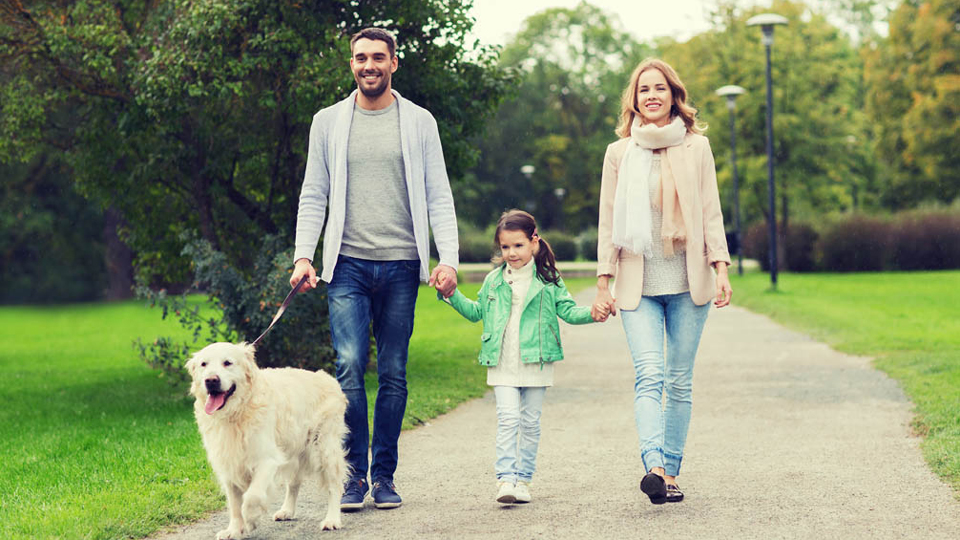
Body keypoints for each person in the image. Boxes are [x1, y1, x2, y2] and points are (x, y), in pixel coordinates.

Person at [290, 27, 459, 512]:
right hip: (346, 265)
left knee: (394, 371)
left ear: (394, 63)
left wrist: (447, 258)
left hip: (402, 265)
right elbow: (313, 192)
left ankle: (383, 475)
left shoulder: (419, 121)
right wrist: (305, 255)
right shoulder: (327, 122)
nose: (369, 65)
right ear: (351, 64)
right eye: (361, 58)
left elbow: (438, 195)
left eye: (378, 58)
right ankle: (351, 477)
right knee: (347, 367)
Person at [592, 58, 732, 505]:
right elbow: (608, 220)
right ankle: (653, 465)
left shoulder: (697, 147)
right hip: (638, 285)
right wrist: (602, 279)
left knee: (679, 381)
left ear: (674, 95)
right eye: (643, 89)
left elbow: (710, 210)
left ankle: (672, 473)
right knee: (649, 376)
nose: (651, 95)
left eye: (660, 88)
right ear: (633, 100)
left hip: (689, 283)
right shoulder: (619, 153)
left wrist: (721, 266)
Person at [435, 209, 606, 505]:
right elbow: (477, 312)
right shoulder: (494, 280)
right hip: (502, 360)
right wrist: (451, 295)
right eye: (505, 247)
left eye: (518, 245)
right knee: (508, 418)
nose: (511, 253)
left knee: (530, 422)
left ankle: (523, 480)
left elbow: (567, 310)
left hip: (536, 359)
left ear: (534, 242)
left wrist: (592, 313)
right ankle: (505, 479)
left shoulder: (548, 280)